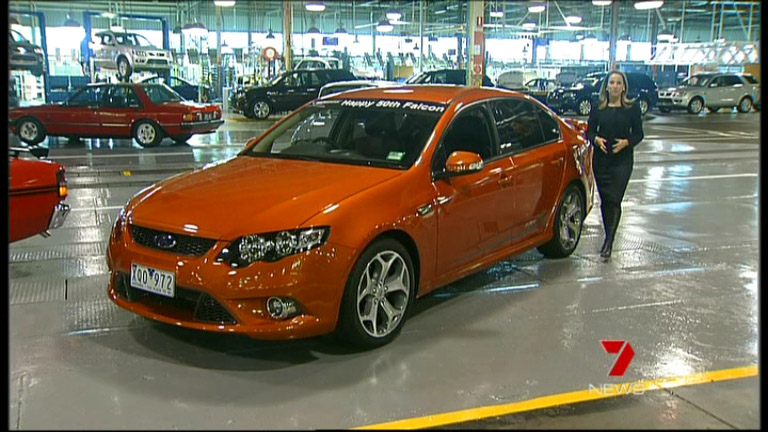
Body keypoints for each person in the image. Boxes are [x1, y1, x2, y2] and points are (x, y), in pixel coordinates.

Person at [587, 70, 644, 260]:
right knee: (605, 201)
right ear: (606, 86)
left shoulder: (631, 108)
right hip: (602, 160)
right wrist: (596, 140)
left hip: (622, 160)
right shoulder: (598, 107)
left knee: (615, 199)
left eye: (619, 83)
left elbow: (639, 134)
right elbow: (589, 131)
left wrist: (626, 142)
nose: (615, 86)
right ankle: (608, 236)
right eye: (612, 83)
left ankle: (609, 241)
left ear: (624, 87)